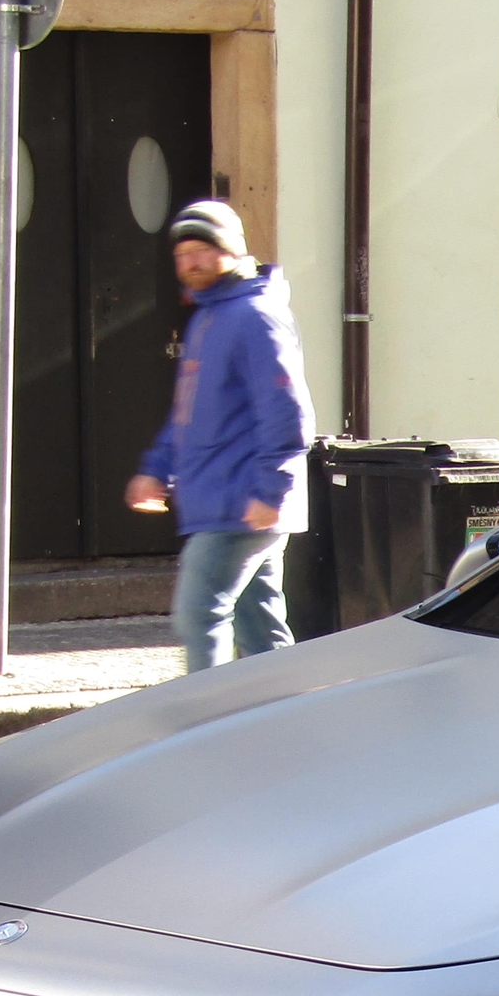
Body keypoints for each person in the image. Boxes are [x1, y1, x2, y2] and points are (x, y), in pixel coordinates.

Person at [127, 200, 317, 671]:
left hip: (242, 505)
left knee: (200, 616)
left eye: (202, 250)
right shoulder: (209, 319)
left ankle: (204, 723)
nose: (190, 263)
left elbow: (288, 414)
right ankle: (280, 723)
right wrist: (156, 470)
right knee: (261, 631)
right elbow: (188, 414)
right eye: (182, 254)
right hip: (226, 501)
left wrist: (271, 490)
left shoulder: (254, 316)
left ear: (230, 251)